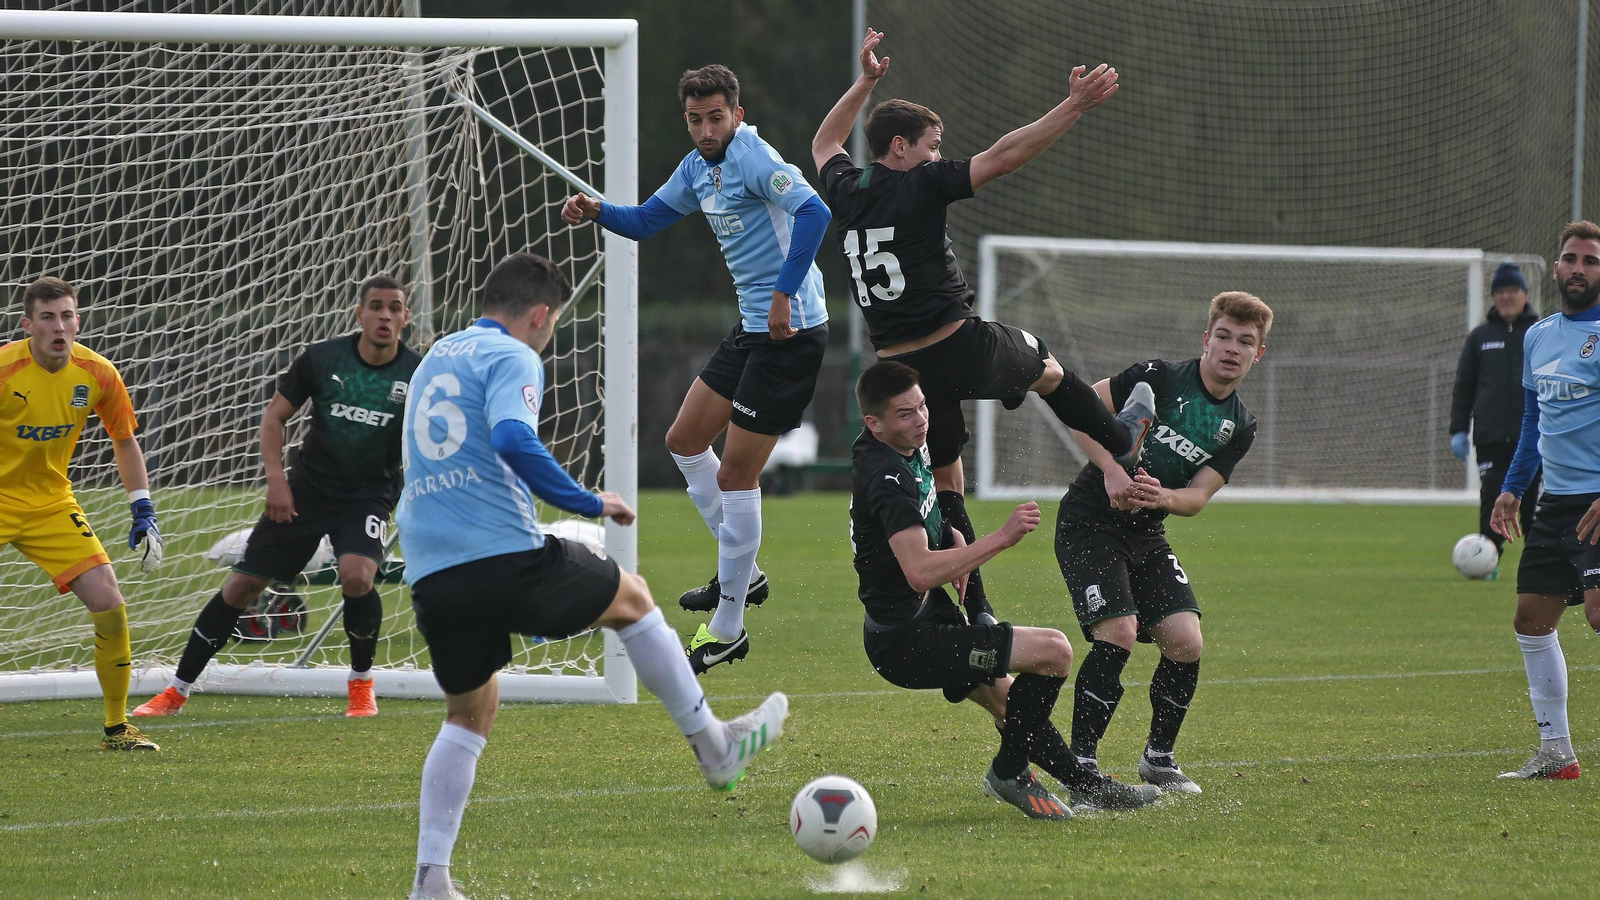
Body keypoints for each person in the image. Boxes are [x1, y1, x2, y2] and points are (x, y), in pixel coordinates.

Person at [397, 252, 787, 900]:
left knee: (470, 710)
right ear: (540, 316)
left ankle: (430, 880)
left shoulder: (438, 355)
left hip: (433, 569)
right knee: (632, 598)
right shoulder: (515, 355)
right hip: (503, 556)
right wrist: (586, 501)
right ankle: (715, 748)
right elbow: (514, 438)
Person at [813, 29, 1153, 628]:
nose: (940, 156)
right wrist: (1073, 105)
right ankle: (1122, 442)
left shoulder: (846, 189)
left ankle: (982, 613)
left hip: (902, 368)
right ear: (899, 146)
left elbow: (825, 140)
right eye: (932, 145)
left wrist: (865, 81)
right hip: (956, 344)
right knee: (1046, 367)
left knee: (947, 483)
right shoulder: (921, 183)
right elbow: (1004, 155)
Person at [562, 64, 831, 674]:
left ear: (736, 112)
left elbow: (814, 214)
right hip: (752, 331)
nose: (706, 128)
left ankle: (730, 623)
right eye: (694, 119)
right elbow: (648, 222)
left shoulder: (755, 157)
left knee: (737, 477)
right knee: (684, 439)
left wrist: (786, 292)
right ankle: (744, 572)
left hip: (790, 334)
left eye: (715, 116)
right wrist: (596, 209)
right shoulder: (696, 168)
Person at [849, 361, 1160, 818]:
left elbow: (928, 505)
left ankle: (1084, 786)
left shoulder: (897, 445)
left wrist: (946, 534)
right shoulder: (886, 478)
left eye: (922, 407)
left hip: (917, 619)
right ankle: (1010, 772)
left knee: (1013, 705)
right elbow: (917, 571)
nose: (920, 421)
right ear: (873, 424)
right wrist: (1002, 536)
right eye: (904, 414)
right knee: (1054, 652)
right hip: (908, 642)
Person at [134, 275, 420, 719]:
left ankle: (361, 686)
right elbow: (274, 418)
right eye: (376, 306)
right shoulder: (323, 359)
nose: (385, 315)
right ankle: (176, 690)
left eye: (395, 307)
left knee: (358, 577)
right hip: (305, 490)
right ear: (359, 314)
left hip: (368, 495)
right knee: (242, 585)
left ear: (406, 317)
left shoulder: (417, 374)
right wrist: (276, 481)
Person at [1057, 292, 1271, 796]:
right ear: (1206, 338)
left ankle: (1159, 758)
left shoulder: (1239, 425)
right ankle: (1081, 767)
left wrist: (1162, 496)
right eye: (1223, 336)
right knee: (1119, 631)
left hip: (1147, 530)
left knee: (1185, 640)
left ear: (1257, 354)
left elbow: (1197, 497)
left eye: (1245, 342)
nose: (1231, 349)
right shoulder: (1159, 377)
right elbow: (1077, 406)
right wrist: (1112, 469)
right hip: (1091, 519)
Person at [0, 277, 164, 750]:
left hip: (51, 504)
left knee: (109, 600)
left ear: (78, 320)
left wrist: (143, 507)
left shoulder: (97, 373)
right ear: (26, 324)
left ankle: (118, 729)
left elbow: (125, 440)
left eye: (67, 315)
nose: (59, 326)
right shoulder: (6, 370)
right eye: (48, 317)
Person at [1490, 220, 1600, 781]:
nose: (1578, 268)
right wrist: (1512, 488)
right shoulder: (1539, 336)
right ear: (1554, 269)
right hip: (1554, 503)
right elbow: (1534, 423)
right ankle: (1556, 753)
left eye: (1590, 260)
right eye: (1570, 259)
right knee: (1532, 620)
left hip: (1597, 501)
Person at [1451, 260, 1541, 572]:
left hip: (1530, 438)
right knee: (1491, 497)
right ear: (1493, 297)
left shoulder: (1539, 333)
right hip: (1490, 436)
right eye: (1500, 291)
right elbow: (1464, 386)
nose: (1506, 297)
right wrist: (1458, 429)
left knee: (1529, 503)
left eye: (1512, 290)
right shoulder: (1479, 337)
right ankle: (1486, 561)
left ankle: (1538, 565)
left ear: (1525, 294)